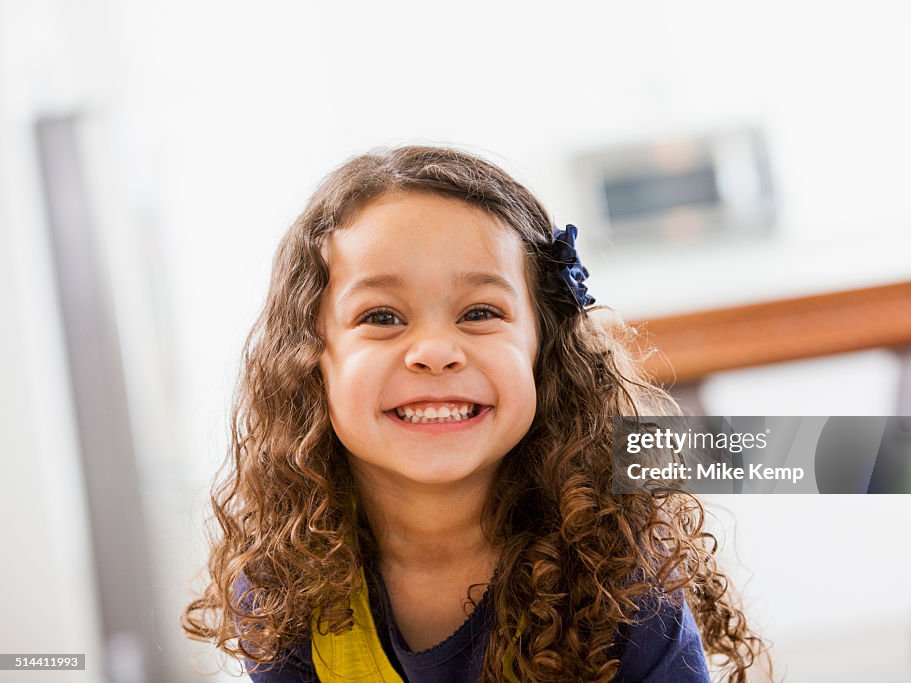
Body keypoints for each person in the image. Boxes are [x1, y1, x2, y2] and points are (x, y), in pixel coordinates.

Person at [182, 145, 769, 682]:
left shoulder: (618, 566)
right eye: (382, 317)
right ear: (311, 360)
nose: (436, 351)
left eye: (480, 312)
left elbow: (835, 456)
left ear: (545, 348)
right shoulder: (284, 588)